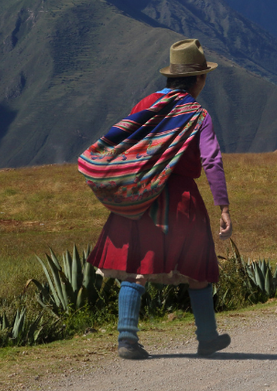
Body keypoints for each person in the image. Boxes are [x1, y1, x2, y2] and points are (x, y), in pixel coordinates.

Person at [83, 38, 233, 360]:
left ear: (170, 76)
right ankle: (206, 338)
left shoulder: (145, 104)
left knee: (138, 264)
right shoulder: (197, 115)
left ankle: (126, 339)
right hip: (180, 200)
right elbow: (211, 160)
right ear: (199, 79)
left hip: (141, 195)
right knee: (197, 269)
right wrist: (223, 205)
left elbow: (126, 143)